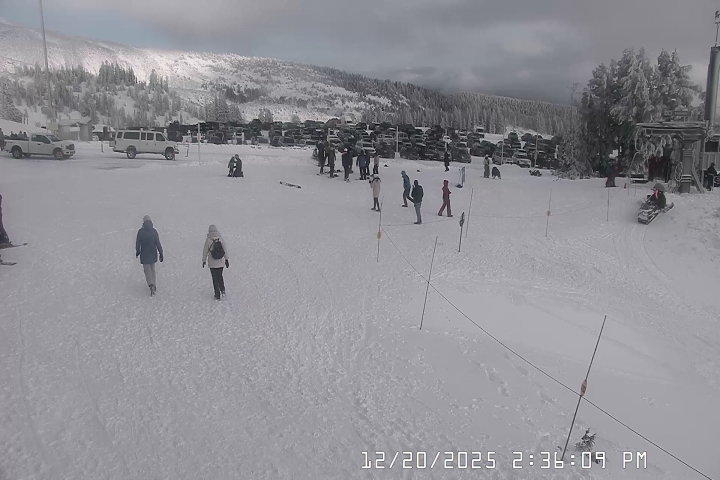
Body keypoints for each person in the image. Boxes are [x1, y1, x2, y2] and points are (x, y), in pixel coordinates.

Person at [135, 215, 163, 296]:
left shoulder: (141, 232)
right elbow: (158, 243)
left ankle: (151, 284)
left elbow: (138, 243)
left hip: (144, 253)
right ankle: (154, 284)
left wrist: (138, 251)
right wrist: (161, 253)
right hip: (153, 253)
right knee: (152, 269)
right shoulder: (154, 231)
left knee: (147, 270)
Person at [202, 224, 229, 300]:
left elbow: (205, 251)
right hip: (220, 262)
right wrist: (226, 259)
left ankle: (217, 294)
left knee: (215, 278)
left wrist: (204, 260)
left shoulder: (208, 239)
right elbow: (225, 249)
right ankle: (223, 291)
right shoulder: (220, 238)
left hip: (212, 263)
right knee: (220, 276)